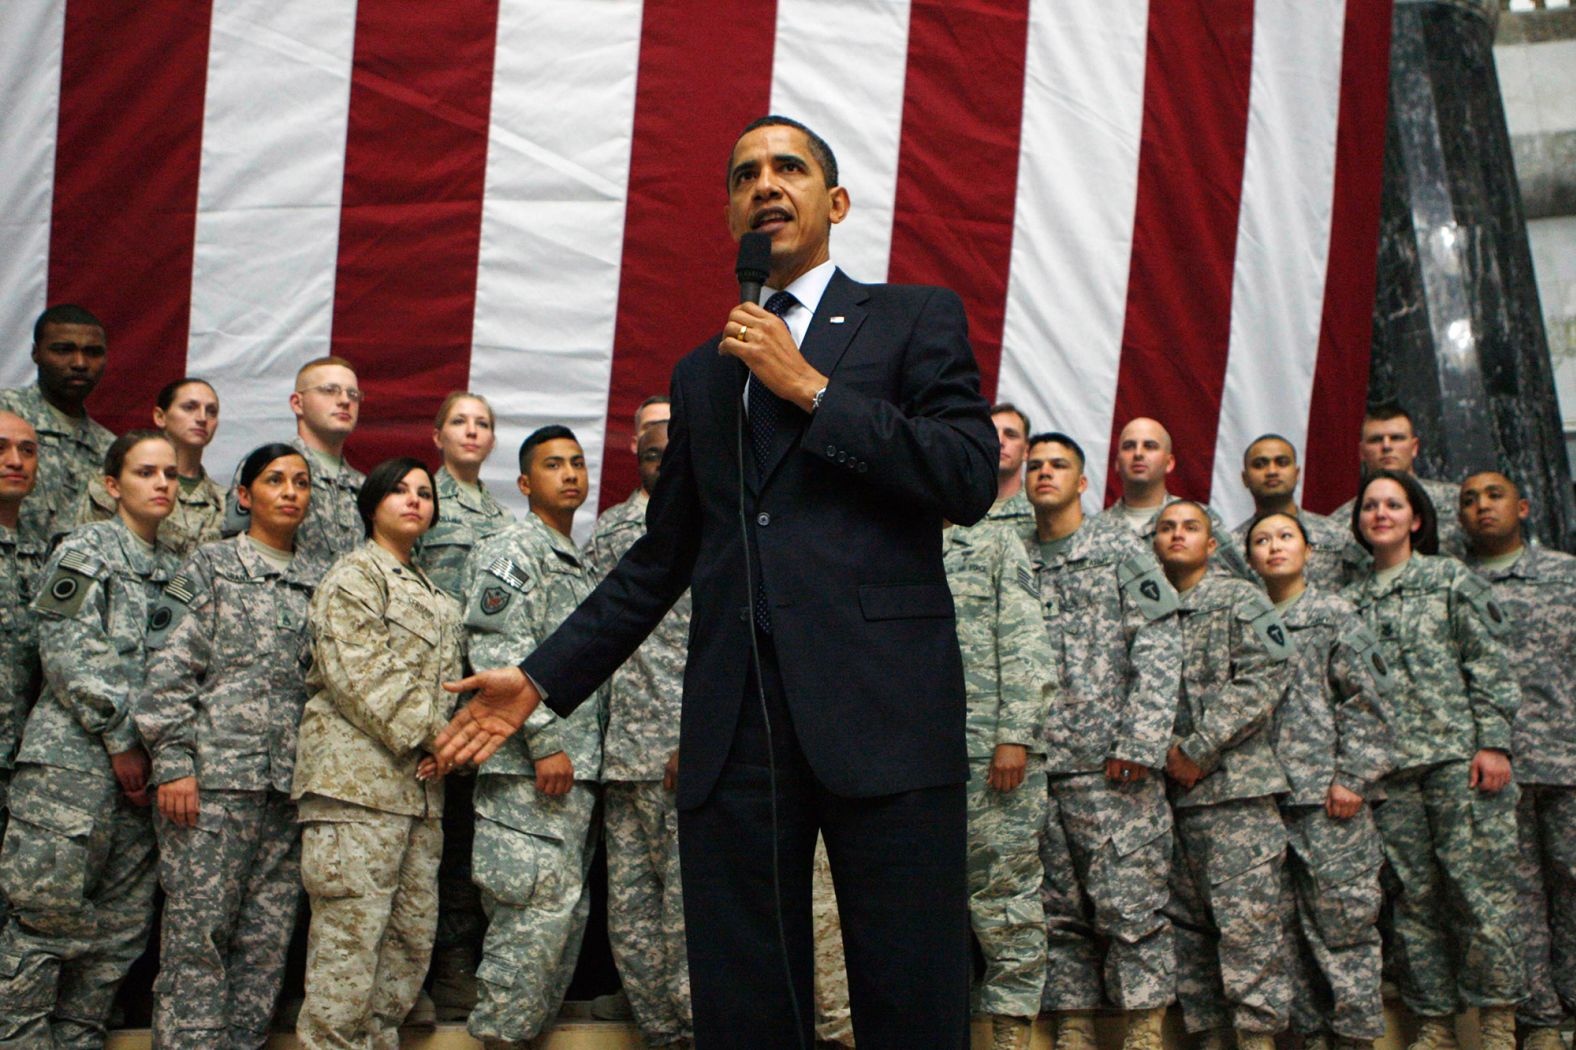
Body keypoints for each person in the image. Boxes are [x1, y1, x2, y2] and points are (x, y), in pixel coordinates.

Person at [439, 114, 998, 1049]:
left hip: (884, 709)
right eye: (745, 175)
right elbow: (662, 556)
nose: (765, 185)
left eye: (789, 168)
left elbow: (967, 477)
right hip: (738, 723)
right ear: (731, 210)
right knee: (744, 1005)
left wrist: (810, 387)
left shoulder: (912, 317)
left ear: (837, 201)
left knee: (911, 990)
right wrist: (538, 679)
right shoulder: (703, 373)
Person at [134, 443, 324, 1049]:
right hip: (212, 787)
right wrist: (172, 763)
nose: (290, 491)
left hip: (286, 790)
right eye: (274, 480)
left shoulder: (322, 581)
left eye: (300, 481)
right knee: (198, 939)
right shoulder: (206, 569)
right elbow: (167, 669)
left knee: (265, 945)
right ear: (245, 496)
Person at [0, 431, 181, 1047]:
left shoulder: (180, 572)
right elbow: (67, 646)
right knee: (47, 917)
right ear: (112, 485)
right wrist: (120, 737)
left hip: (143, 781)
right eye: (145, 472)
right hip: (71, 768)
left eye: (171, 475)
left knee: (119, 934)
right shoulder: (83, 551)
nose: (161, 484)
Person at [1342, 470, 1523, 1050]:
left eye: (1393, 504)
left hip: (1457, 762)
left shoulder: (1448, 579)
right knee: (1413, 902)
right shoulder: (1348, 602)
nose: (1381, 514)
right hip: (1390, 774)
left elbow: (1488, 662)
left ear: (1416, 519)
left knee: (1477, 892)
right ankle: (1435, 1024)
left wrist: (1493, 741)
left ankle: (1497, 1023)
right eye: (1370, 506)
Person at [291, 457, 461, 1050]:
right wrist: (436, 736)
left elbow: (445, 687)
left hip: (418, 796)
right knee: (347, 959)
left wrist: (446, 746)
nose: (414, 500)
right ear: (372, 504)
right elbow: (363, 672)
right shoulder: (354, 578)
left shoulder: (438, 598)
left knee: (404, 956)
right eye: (399, 491)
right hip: (355, 794)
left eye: (424, 492)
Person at [1022, 433, 1181, 1050]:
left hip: (1112, 768)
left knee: (1130, 906)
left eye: (1058, 465)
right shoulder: (1018, 558)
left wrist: (1140, 742)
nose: (1043, 474)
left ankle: (1142, 1032)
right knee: (1054, 911)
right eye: (1034, 465)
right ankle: (1073, 1027)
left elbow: (1160, 641)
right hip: (1039, 767)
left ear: (1084, 483)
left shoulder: (1120, 551)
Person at [456, 426, 608, 1050]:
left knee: (557, 931)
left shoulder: (578, 559)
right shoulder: (514, 550)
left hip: (574, 774)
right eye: (552, 465)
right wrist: (544, 741)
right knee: (527, 933)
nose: (569, 473)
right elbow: (497, 651)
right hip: (528, 774)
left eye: (576, 463)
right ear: (524, 483)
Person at [1246, 511, 1392, 1050]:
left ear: (1309, 551)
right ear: (1249, 559)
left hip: (1330, 800)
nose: (1274, 547)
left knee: (1343, 928)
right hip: (1264, 799)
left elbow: (1369, 699)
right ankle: (1308, 1038)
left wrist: (1353, 775)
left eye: (1286, 537)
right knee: (1282, 935)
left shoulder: (1336, 613)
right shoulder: (1248, 617)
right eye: (1262, 540)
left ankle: (1354, 1038)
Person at [1154, 500, 1294, 1050]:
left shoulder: (1240, 599)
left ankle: (1257, 1041)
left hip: (1236, 795)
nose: (1177, 535)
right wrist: (1164, 752)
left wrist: (1200, 748)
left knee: (1248, 929)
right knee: (1188, 933)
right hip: (1164, 799)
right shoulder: (1147, 609)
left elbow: (1266, 675)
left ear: (1212, 545)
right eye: (1166, 528)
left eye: (1190, 527)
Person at [1459, 471, 1576, 1050]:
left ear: (1525, 506)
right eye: (1470, 500)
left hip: (1568, 758)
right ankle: (1543, 1019)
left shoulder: (1564, 575)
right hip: (1495, 769)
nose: (1482, 507)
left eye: (1494, 496)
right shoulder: (1453, 584)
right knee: (1519, 897)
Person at [588, 416, 694, 1049]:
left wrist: (702, 736)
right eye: (650, 454)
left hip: (688, 754)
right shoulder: (612, 533)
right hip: (621, 753)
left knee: (690, 920)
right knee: (630, 921)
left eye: (671, 453)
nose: (660, 463)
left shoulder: (717, 524)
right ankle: (664, 1038)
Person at [413, 391, 512, 1019]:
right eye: (459, 422)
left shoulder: (505, 519)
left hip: (491, 696)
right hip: (431, 693)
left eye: (482, 424)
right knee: (426, 839)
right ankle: (425, 970)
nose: (471, 432)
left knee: (470, 841)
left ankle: (459, 962)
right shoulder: (421, 501)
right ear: (437, 434)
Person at [942, 510, 1053, 1050]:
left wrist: (1016, 734)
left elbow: (1025, 638)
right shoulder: (879, 543)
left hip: (990, 755)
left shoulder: (992, 540)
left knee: (1004, 902)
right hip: (906, 760)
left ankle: (1011, 1036)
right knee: (923, 909)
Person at [227, 356, 365, 562]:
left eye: (353, 394)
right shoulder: (268, 466)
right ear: (297, 403)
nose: (345, 401)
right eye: (329, 390)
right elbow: (235, 548)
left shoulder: (364, 486)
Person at [0, 304, 115, 540]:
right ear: (36, 353)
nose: (80, 363)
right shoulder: (5, 414)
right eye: (64, 350)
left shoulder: (110, 449)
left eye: (93, 352)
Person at [76, 377, 225, 556]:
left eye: (211, 411)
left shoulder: (225, 502)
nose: (202, 418)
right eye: (189, 407)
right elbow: (86, 550)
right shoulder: (114, 486)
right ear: (160, 417)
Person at [1099, 417, 1251, 580]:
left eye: (1150, 446)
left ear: (1169, 462)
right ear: (1116, 463)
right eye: (1129, 446)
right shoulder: (1095, 530)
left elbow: (1239, 581)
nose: (1138, 454)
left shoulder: (1202, 518)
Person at [0, 413, 49, 881]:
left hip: (23, 762)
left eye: (27, 451)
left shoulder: (46, 554)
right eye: (1, 449)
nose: (15, 461)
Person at [1331, 402, 1465, 560]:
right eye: (1376, 440)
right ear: (1361, 452)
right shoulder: (1339, 522)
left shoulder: (1457, 501)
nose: (1386, 446)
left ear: (1414, 447)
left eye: (1396, 438)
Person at [1231, 434, 1354, 590]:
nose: (1271, 471)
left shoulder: (1336, 535)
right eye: (1260, 464)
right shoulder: (1231, 548)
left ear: (1297, 474)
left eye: (1281, 462)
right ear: (1245, 478)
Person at [986, 402, 1033, 528]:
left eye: (1011, 435)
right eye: (992, 434)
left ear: (1027, 451)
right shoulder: (954, 505)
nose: (999, 441)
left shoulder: (1040, 512)